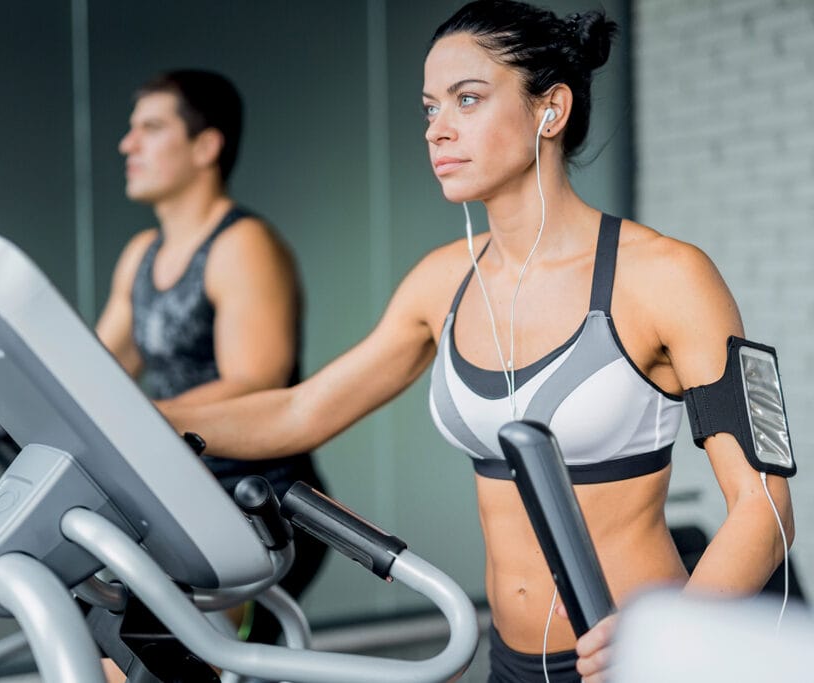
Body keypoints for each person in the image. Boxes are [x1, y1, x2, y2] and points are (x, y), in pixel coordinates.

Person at [161, 3, 795, 682]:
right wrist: (139, 422)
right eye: (430, 107)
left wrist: (671, 639)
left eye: (467, 99)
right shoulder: (443, 283)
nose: (438, 129)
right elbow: (299, 412)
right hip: (509, 659)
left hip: (637, 658)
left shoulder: (666, 276)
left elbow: (764, 505)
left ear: (550, 110)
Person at [95, 69, 328, 678]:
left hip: (259, 506)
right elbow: (94, 373)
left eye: (150, 128)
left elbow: (256, 382)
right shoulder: (140, 255)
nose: (128, 145)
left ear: (206, 146)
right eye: (131, 130)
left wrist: (138, 419)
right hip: (181, 496)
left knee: (172, 666)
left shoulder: (241, 244)